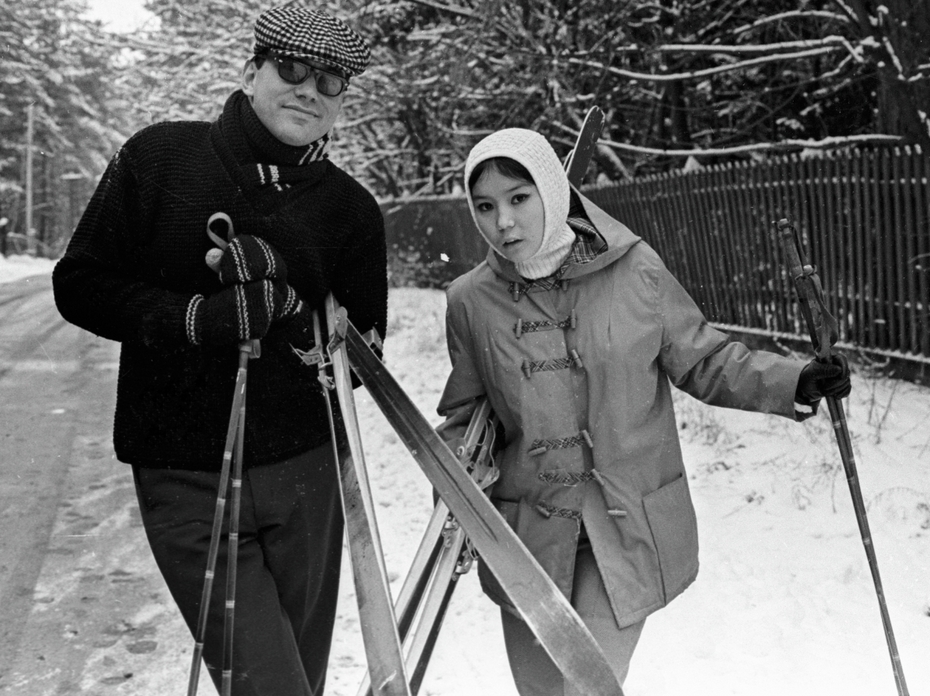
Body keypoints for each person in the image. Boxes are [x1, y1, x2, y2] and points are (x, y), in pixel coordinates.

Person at [436, 128, 850, 695]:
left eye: (518, 198)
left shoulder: (634, 270)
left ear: (552, 193)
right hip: (529, 530)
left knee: (589, 687)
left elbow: (704, 359)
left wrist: (794, 379)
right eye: (484, 206)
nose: (503, 221)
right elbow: (466, 415)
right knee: (539, 692)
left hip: (623, 521)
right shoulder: (469, 300)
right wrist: (454, 495)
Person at [53, 5, 385, 695]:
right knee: (271, 686)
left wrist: (291, 311)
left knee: (301, 678)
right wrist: (194, 319)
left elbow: (358, 356)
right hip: (185, 473)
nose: (308, 91)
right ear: (252, 69)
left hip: (305, 475)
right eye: (291, 69)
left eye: (330, 82)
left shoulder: (351, 211)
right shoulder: (160, 159)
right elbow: (79, 285)